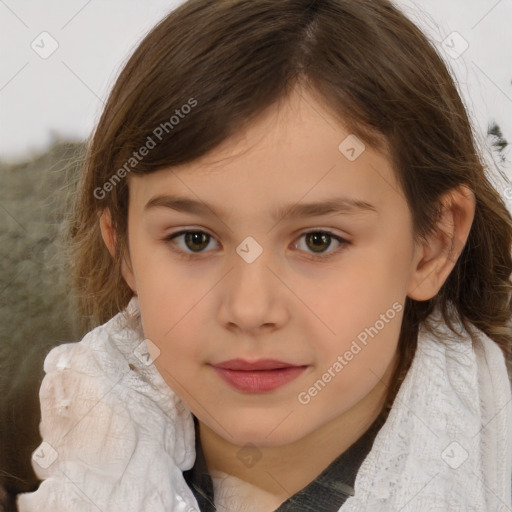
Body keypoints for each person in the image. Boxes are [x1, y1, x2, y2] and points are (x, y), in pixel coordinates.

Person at [16, 0, 512, 510]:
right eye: (195, 239)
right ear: (121, 246)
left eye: (319, 241)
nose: (250, 310)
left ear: (433, 244)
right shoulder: (56, 455)